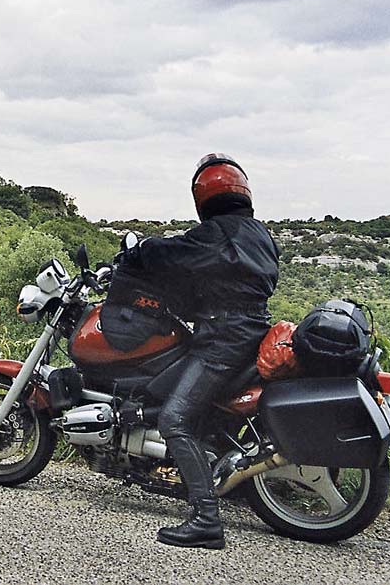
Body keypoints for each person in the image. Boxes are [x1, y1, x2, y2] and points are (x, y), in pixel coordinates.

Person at [120, 154, 279, 549]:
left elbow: (172, 252)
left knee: (174, 418)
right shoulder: (259, 234)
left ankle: (206, 520)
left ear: (203, 196)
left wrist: (137, 251)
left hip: (224, 339)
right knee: (166, 391)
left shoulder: (217, 234)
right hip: (246, 330)